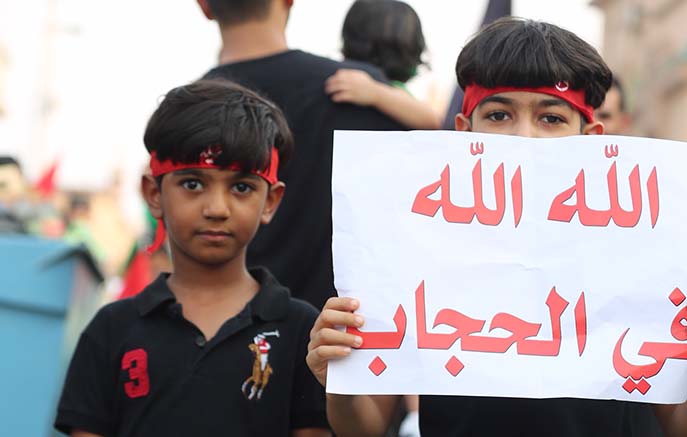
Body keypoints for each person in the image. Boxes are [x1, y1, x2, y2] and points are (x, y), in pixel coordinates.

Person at [306, 17, 687, 437]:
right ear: (463, 132)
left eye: (551, 118)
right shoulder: (415, 246)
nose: (523, 138)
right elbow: (364, 426)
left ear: (591, 138)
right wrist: (340, 379)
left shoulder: (644, 250)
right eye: (499, 115)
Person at [54, 79, 330, 437]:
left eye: (242, 187)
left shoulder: (303, 331)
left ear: (270, 201)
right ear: (154, 194)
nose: (216, 208)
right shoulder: (111, 330)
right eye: (193, 184)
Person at [198, 0, 407, 311]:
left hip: (234, 329)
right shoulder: (362, 91)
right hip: (346, 328)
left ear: (204, 6)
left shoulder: (186, 117)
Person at [325, 0, 440, 130]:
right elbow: (433, 121)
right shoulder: (394, 90)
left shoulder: (390, 89)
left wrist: (374, 92)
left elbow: (432, 122)